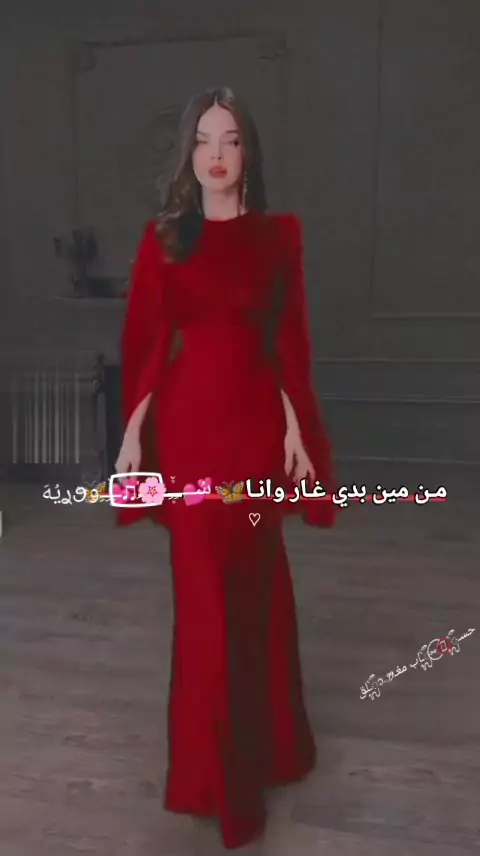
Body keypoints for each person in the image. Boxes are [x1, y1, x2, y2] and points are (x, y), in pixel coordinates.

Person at [115, 86, 337, 850]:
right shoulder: (165, 241)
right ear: (189, 153)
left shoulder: (279, 238)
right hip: (190, 436)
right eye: (204, 140)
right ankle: (219, 783)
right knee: (207, 605)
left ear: (249, 152)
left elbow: (289, 344)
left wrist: (298, 430)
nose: (216, 154)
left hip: (255, 437)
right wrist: (132, 437)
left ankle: (272, 750)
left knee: (258, 594)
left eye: (231, 139)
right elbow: (146, 343)